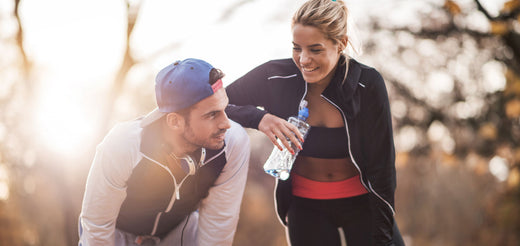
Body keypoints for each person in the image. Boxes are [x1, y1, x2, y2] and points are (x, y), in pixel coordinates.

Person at [225, 0, 404, 245]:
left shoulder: (367, 85)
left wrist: (383, 239)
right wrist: (259, 118)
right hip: (306, 206)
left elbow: (382, 168)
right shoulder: (275, 77)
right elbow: (215, 104)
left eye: (315, 49)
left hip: (364, 204)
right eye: (296, 48)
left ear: (340, 43)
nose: (303, 59)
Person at [78, 58, 250, 246]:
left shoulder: (233, 142)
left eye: (224, 109)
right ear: (175, 121)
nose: (226, 123)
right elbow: (97, 224)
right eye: (212, 114)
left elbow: (219, 224)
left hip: (180, 233)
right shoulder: (124, 144)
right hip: (118, 235)